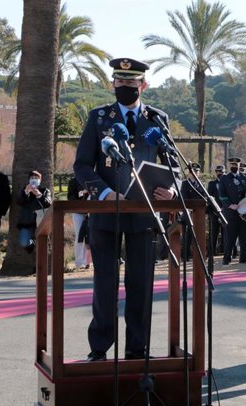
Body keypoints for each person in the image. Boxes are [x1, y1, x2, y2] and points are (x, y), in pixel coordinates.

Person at [73, 57, 179, 362]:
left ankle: (137, 350)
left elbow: (174, 165)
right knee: (104, 285)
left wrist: (171, 189)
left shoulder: (157, 119)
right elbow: (81, 165)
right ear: (113, 84)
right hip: (106, 215)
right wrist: (103, 192)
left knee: (141, 286)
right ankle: (99, 349)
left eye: (131, 83)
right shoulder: (99, 118)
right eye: (120, 82)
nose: (125, 87)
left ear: (143, 85)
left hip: (145, 216)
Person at [218, 157, 246, 264]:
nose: (234, 167)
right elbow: (222, 195)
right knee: (230, 236)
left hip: (244, 211)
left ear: (239, 166)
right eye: (232, 166)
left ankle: (244, 257)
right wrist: (230, 205)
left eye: (236, 166)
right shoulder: (224, 178)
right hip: (231, 211)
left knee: (244, 235)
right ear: (230, 166)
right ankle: (227, 258)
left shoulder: (244, 176)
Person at [17, 170, 52, 253]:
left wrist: (38, 194)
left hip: (40, 221)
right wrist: (26, 192)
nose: (34, 179)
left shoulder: (45, 191)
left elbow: (48, 203)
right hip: (27, 222)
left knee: (42, 243)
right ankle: (33, 246)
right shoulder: (24, 190)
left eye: (36, 178)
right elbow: (19, 202)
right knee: (25, 243)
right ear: (29, 180)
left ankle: (38, 258)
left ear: (40, 180)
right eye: (32, 178)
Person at [180, 163, 206, 260]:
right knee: (188, 235)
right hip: (188, 212)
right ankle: (185, 255)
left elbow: (204, 197)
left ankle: (198, 255)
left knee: (199, 234)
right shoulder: (185, 183)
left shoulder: (201, 184)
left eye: (197, 171)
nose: (195, 173)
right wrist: (189, 210)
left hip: (199, 213)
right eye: (193, 171)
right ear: (189, 173)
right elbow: (184, 198)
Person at [68, 175, 91, 269]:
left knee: (90, 236)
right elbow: (71, 197)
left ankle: (88, 261)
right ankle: (79, 262)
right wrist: (81, 193)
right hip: (78, 212)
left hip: (91, 211)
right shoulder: (73, 181)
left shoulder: (92, 179)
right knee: (79, 235)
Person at [207, 164, 225, 256]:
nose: (219, 173)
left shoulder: (227, 182)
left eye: (221, 172)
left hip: (225, 211)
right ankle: (211, 251)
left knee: (226, 232)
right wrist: (215, 209)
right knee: (214, 232)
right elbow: (210, 198)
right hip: (215, 212)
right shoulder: (212, 184)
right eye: (218, 172)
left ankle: (225, 251)